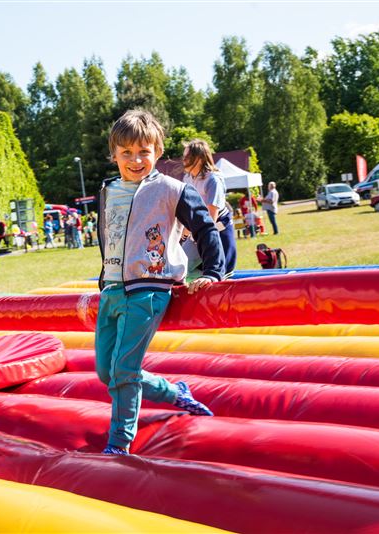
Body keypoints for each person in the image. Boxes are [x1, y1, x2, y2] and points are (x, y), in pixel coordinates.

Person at [96, 110, 224, 456]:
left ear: (158, 152)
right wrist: (105, 276)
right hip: (112, 289)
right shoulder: (107, 190)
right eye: (127, 152)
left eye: (144, 152)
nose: (136, 160)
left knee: (124, 369)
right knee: (106, 371)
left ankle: (119, 443)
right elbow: (110, 235)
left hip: (149, 289)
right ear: (114, 154)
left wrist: (212, 271)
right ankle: (173, 392)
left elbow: (205, 227)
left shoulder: (172, 189)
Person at [181, 138, 237, 277]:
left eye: (188, 156)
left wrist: (195, 235)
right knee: (180, 266)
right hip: (198, 227)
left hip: (217, 229)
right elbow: (189, 210)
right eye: (184, 156)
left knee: (222, 273)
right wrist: (183, 235)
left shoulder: (213, 180)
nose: (184, 160)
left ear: (199, 158)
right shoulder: (187, 178)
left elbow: (211, 217)